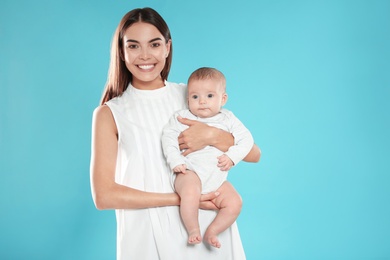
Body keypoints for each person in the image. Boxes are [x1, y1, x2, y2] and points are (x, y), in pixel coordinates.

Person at [90, 7, 261, 260]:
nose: (145, 55)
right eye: (134, 46)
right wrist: (184, 198)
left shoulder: (191, 96)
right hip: (147, 232)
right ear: (121, 52)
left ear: (167, 48)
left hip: (206, 232)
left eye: (155, 44)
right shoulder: (110, 113)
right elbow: (104, 196)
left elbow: (254, 154)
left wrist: (212, 135)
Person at [162, 67, 255, 248]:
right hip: (190, 171)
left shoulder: (228, 119)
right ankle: (193, 229)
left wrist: (232, 156)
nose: (202, 102)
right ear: (188, 98)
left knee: (235, 202)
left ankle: (213, 231)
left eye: (210, 96)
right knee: (190, 191)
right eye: (195, 97)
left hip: (217, 178)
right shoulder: (182, 117)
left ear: (223, 99)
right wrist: (176, 160)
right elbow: (168, 137)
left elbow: (247, 140)